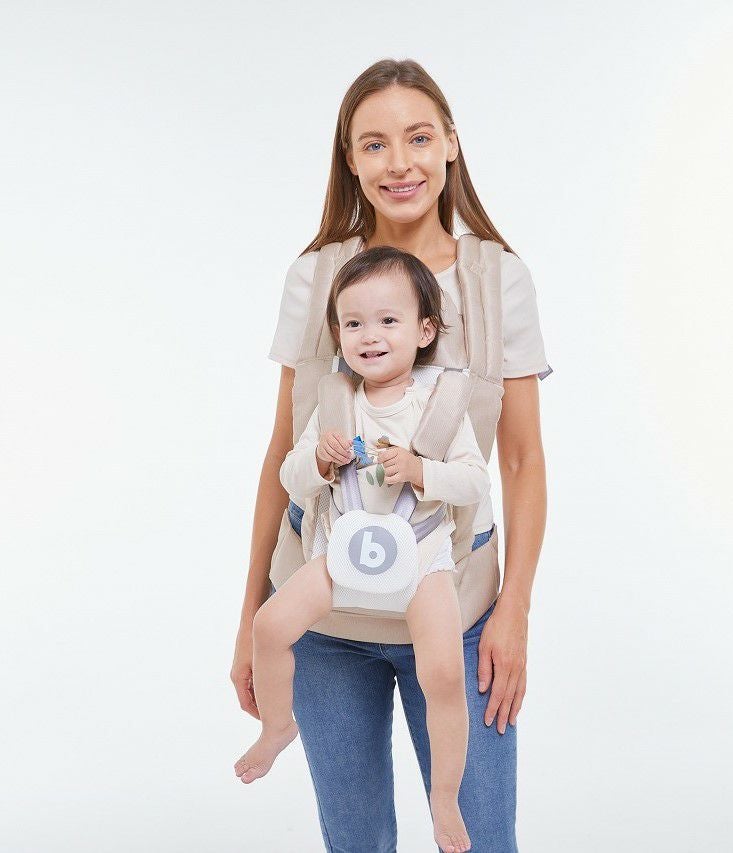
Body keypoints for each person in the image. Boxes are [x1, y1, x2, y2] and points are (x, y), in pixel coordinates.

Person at [231, 58, 552, 853]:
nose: (398, 163)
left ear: (450, 143)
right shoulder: (315, 276)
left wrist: (514, 609)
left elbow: (520, 460)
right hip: (324, 612)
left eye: (418, 137)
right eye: (373, 144)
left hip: (457, 606)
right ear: (349, 159)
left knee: (481, 837)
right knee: (356, 842)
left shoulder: (497, 280)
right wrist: (250, 617)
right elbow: (281, 449)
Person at [235, 246, 489, 853]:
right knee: (269, 626)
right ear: (337, 333)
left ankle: (445, 797)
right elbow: (290, 477)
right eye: (353, 323)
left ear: (425, 330)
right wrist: (320, 463)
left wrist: (422, 471)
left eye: (388, 320)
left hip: (421, 558)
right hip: (342, 554)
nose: (369, 335)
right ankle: (277, 727)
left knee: (443, 674)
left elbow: (475, 482)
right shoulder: (335, 401)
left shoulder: (442, 403)